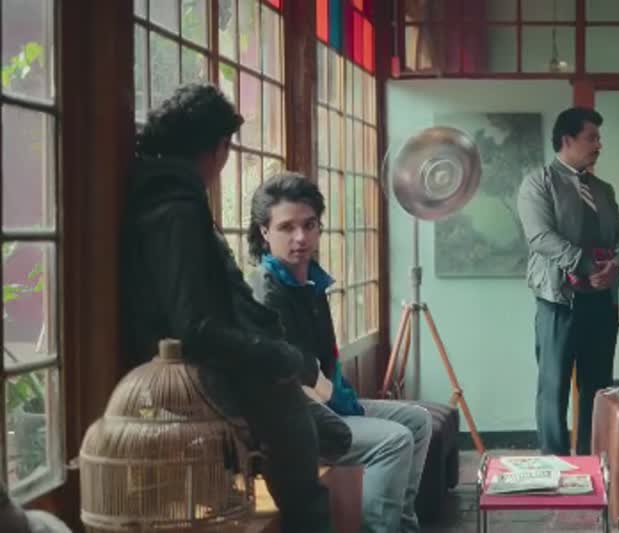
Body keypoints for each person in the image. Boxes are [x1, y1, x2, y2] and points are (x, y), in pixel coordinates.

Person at [120, 83, 341, 533]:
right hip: (195, 374)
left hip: (210, 361)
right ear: (217, 147)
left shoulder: (167, 195)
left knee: (331, 431)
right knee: (312, 456)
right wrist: (279, 355)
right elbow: (194, 328)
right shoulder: (176, 209)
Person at [245, 173, 434, 533]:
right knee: (394, 440)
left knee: (417, 421)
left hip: (324, 403)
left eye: (309, 225)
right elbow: (296, 374)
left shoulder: (309, 281)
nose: (301, 238)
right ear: (264, 232)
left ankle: (402, 527)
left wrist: (337, 393)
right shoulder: (267, 291)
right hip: (293, 420)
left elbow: (321, 365)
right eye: (286, 227)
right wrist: (335, 395)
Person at [517, 106, 619, 456]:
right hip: (558, 301)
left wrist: (617, 264)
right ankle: (555, 467)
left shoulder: (604, 189)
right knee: (553, 389)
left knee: (598, 389)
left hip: (601, 302)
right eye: (591, 137)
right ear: (567, 140)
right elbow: (540, 237)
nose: (599, 145)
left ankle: (593, 463)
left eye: (599, 138)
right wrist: (586, 265)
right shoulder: (538, 183)